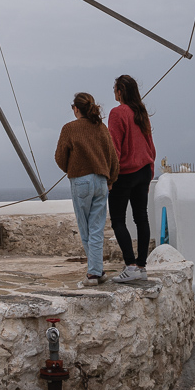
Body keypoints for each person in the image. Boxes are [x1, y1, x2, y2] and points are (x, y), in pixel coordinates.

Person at [55, 92, 119, 286]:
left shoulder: (69, 128)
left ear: (76, 109)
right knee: (97, 229)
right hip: (101, 181)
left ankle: (93, 274)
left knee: (85, 229)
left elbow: (60, 157)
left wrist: (72, 168)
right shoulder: (101, 128)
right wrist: (111, 179)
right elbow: (113, 157)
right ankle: (98, 271)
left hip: (81, 181)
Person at [107, 74, 156, 283]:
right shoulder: (141, 112)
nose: (114, 92)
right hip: (144, 171)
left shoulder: (117, 113)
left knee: (118, 220)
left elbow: (114, 148)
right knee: (141, 217)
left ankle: (131, 265)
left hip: (125, 174)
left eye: (115, 89)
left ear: (120, 92)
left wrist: (110, 177)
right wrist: (150, 172)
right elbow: (150, 146)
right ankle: (142, 266)